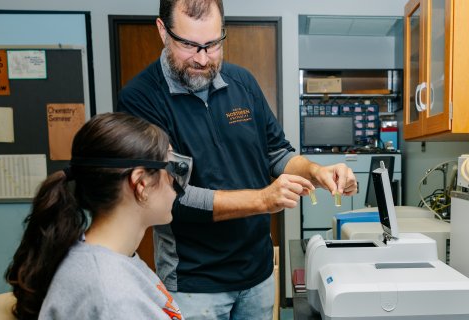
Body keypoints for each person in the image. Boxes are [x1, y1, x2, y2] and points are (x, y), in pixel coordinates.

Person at [117, 0, 358, 318]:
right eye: (189, 45)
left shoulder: (242, 82)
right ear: (163, 31)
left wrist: (317, 171)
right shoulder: (141, 99)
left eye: (213, 44)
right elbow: (170, 196)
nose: (202, 59)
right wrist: (262, 200)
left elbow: (278, 153)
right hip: (194, 283)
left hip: (257, 274)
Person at [5, 112, 190, 320]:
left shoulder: (108, 258)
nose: (175, 184)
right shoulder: (110, 296)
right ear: (141, 184)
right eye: (171, 170)